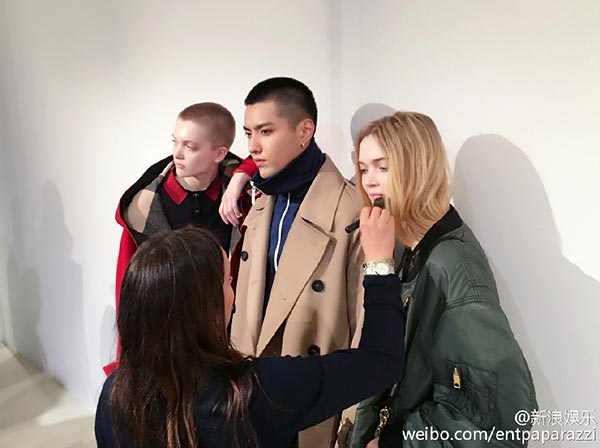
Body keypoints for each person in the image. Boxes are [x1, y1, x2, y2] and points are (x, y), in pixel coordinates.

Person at [95, 213, 406, 447]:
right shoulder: (259, 393)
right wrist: (379, 263)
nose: (234, 292)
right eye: (227, 281)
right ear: (210, 307)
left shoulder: (115, 396)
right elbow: (381, 361)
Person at [348, 112, 538, 448]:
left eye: (383, 167)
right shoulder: (410, 247)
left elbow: (499, 416)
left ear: (417, 168)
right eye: (363, 169)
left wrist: (398, 443)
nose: (369, 182)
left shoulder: (452, 264)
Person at [228, 77, 364, 447]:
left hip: (311, 401)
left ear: (304, 131)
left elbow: (364, 328)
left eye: (266, 131)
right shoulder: (262, 202)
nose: (253, 147)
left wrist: (354, 421)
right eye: (249, 133)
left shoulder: (350, 211)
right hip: (252, 397)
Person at [103, 102, 256, 375]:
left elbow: (272, 162)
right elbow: (130, 285)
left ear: (220, 153)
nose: (177, 153)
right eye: (175, 141)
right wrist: (128, 359)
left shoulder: (244, 198)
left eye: (190, 146)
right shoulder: (145, 206)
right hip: (167, 341)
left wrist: (240, 178)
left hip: (228, 335)